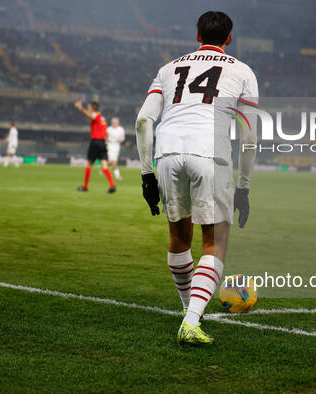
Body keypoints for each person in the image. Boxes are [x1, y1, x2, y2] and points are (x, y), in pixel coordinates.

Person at [135, 11, 258, 346]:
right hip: (210, 154)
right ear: (229, 38)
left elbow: (144, 121)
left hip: (168, 153)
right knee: (214, 244)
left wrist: (147, 175)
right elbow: (249, 137)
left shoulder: (167, 68)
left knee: (179, 239)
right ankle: (191, 322)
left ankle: (192, 310)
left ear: (197, 34)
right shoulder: (242, 71)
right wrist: (244, 188)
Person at [74, 100, 116, 193]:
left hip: (95, 142)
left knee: (89, 164)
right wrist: (107, 138)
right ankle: (112, 185)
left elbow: (90, 116)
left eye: (89, 107)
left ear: (92, 108)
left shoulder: (95, 115)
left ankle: (85, 186)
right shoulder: (103, 118)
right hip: (102, 143)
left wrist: (81, 108)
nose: (88, 109)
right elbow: (106, 131)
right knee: (104, 165)